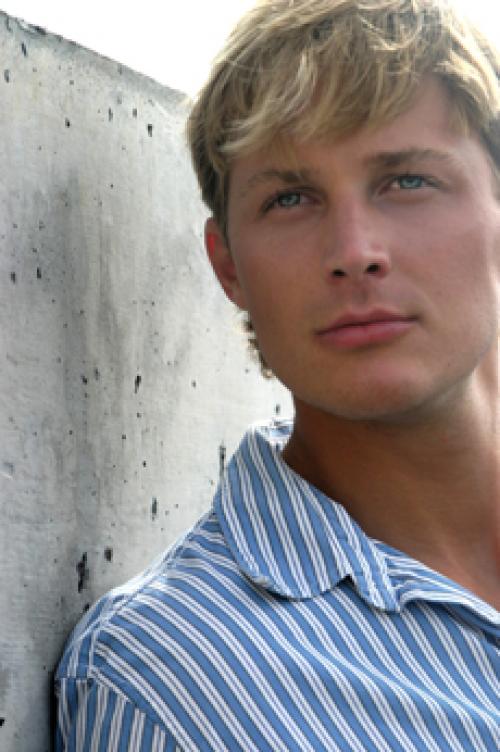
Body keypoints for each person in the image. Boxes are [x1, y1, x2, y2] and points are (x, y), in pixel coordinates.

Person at [54, 0, 500, 749]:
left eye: (406, 181)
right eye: (290, 198)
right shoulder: (171, 684)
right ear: (228, 266)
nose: (354, 251)